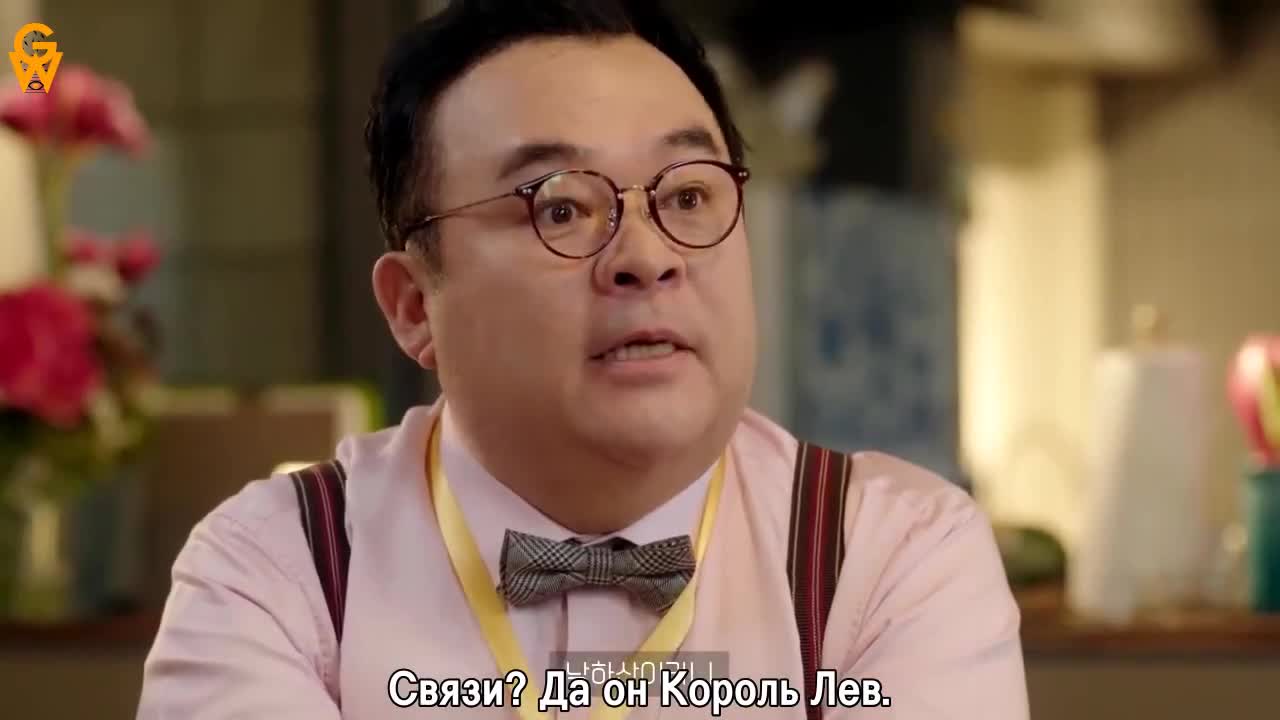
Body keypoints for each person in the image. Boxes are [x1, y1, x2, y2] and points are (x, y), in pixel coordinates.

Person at [136, 1, 1028, 718]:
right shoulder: (275, 570)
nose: (647, 255)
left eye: (688, 196)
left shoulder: (891, 559)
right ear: (414, 307)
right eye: (557, 207)